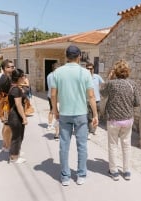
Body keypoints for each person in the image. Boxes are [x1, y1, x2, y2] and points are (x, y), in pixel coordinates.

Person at [51, 45, 98, 186]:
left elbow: (53, 94)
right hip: (81, 114)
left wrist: (55, 111)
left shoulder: (57, 72)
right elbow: (91, 95)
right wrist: (95, 114)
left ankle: (65, 177)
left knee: (64, 145)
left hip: (64, 113)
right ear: (79, 56)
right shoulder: (85, 73)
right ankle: (81, 175)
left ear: (66, 56)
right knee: (82, 145)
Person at [100, 59, 140, 181]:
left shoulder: (111, 84)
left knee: (113, 145)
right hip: (127, 120)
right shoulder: (132, 84)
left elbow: (102, 93)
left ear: (115, 71)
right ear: (127, 71)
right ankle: (126, 171)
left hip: (113, 120)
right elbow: (137, 103)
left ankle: (114, 171)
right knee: (126, 145)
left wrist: (108, 78)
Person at [8, 68, 28, 163]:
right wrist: (24, 118)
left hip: (14, 115)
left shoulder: (14, 87)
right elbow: (18, 104)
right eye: (23, 76)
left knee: (18, 136)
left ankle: (16, 152)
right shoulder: (16, 89)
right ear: (19, 78)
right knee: (17, 137)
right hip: (16, 116)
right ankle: (14, 157)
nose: (24, 77)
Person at [0, 59, 14, 152]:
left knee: (5, 126)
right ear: (3, 68)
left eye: (12, 67)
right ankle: (8, 146)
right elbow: (3, 96)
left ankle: (4, 144)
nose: (11, 69)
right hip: (6, 106)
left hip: (5, 106)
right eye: (8, 67)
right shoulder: (5, 79)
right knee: (8, 127)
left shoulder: (5, 77)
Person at [86, 62, 104, 139]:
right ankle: (91, 131)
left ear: (93, 69)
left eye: (91, 68)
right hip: (87, 100)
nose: (90, 70)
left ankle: (93, 130)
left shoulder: (97, 77)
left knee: (96, 116)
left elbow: (104, 84)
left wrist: (102, 93)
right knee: (89, 117)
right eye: (88, 68)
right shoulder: (84, 78)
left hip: (97, 100)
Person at [46, 62, 60, 131]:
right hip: (55, 96)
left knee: (51, 110)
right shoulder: (56, 76)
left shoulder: (49, 75)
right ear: (56, 68)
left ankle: (49, 125)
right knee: (54, 110)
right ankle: (55, 125)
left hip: (49, 95)